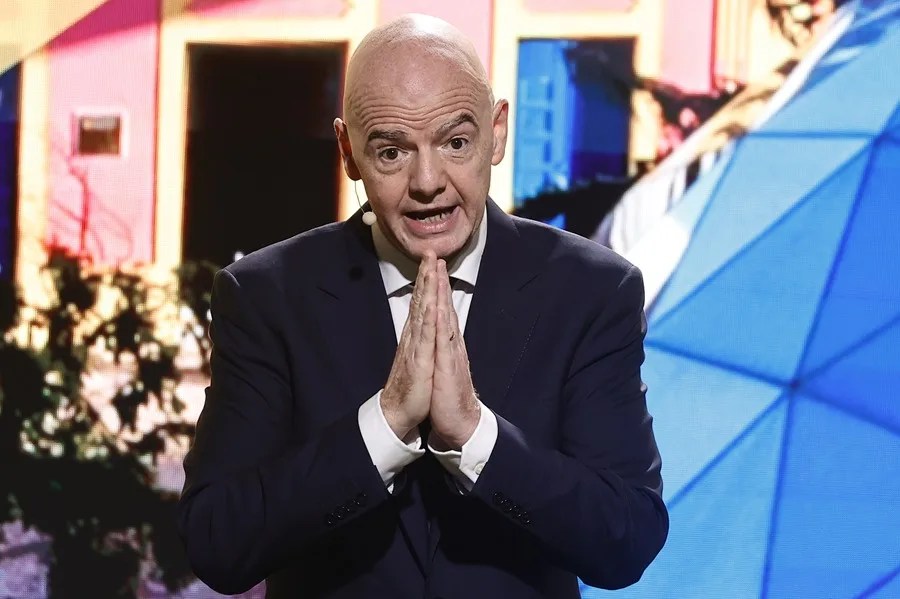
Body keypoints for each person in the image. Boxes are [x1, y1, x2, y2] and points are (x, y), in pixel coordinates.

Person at [177, 14, 668, 599]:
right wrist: (383, 427)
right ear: (348, 152)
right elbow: (218, 543)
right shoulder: (265, 296)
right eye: (391, 152)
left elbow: (627, 540)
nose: (428, 181)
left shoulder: (592, 291)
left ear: (497, 132)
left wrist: (475, 436)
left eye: (456, 142)